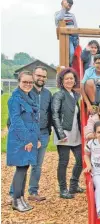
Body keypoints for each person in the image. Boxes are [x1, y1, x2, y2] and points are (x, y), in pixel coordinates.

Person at [8, 66, 52, 203]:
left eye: (44, 76)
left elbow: (46, 113)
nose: (41, 78)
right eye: (38, 75)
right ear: (33, 76)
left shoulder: (46, 94)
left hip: (41, 133)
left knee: (35, 165)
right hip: (26, 135)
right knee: (22, 165)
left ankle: (31, 192)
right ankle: (14, 195)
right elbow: (15, 118)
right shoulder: (21, 94)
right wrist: (23, 137)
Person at [7, 71, 40, 212]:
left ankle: (21, 198)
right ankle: (16, 200)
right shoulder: (14, 99)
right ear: (19, 82)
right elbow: (16, 121)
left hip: (30, 139)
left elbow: (34, 120)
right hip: (20, 139)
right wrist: (26, 140)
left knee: (25, 168)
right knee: (21, 169)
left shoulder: (30, 97)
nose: (28, 85)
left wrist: (36, 138)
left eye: (30, 82)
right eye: (25, 82)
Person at [52, 68, 84, 199]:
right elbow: (54, 114)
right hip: (64, 132)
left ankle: (74, 184)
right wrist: (60, 134)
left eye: (71, 78)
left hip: (75, 132)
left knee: (80, 160)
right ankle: (63, 189)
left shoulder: (76, 95)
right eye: (67, 79)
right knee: (64, 161)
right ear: (62, 81)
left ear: (75, 80)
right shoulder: (59, 95)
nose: (69, 81)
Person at [54, 0, 78, 66]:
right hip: (67, 37)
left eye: (71, 6)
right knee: (71, 53)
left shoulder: (72, 15)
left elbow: (75, 26)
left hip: (74, 37)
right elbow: (60, 18)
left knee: (75, 55)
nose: (69, 7)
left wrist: (77, 37)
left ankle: (72, 66)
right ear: (63, 2)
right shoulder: (57, 13)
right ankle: (69, 66)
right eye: (68, 5)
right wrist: (63, 8)